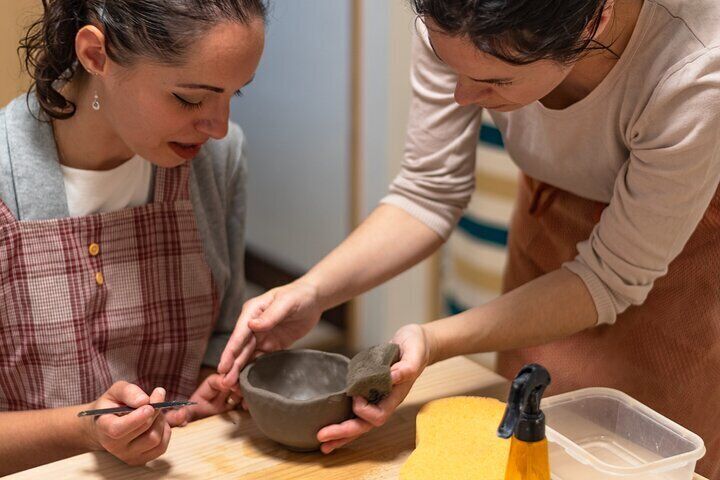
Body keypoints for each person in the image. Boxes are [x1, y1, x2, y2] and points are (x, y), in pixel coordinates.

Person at [219, 0, 720, 476]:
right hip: (550, 228)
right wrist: (313, 290)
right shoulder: (457, 15)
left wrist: (434, 340)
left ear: (594, 22)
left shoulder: (695, 69)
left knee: (641, 458)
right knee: (521, 444)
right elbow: (428, 190)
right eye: (447, 63)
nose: (462, 95)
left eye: (494, 80)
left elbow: (608, 277)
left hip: (677, 260)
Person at [0, 0, 265, 474]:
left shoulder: (216, 162)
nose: (219, 126)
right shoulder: (6, 182)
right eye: (189, 99)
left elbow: (221, 335)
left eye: (234, 95)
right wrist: (86, 429)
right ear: (95, 55)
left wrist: (213, 383)